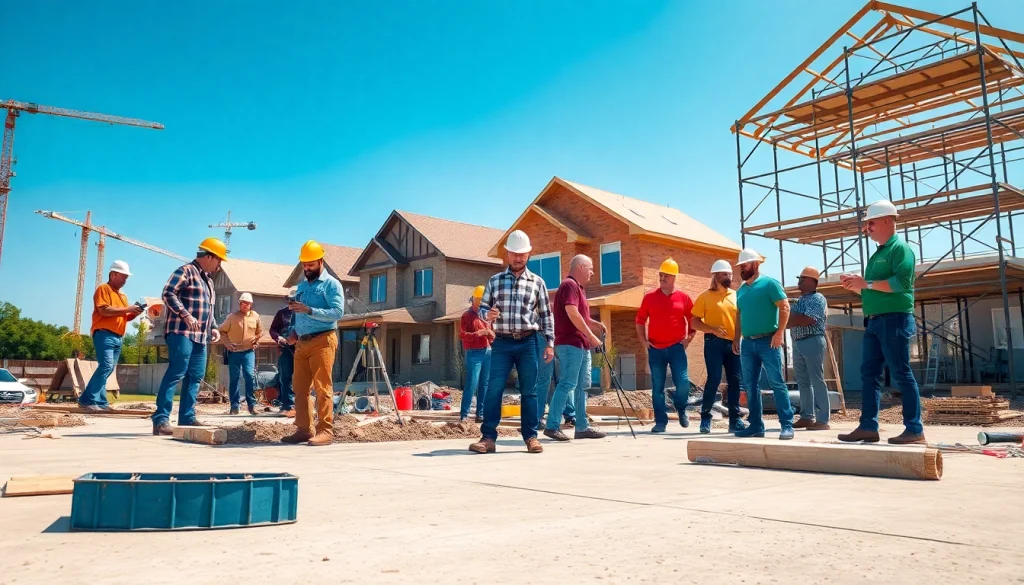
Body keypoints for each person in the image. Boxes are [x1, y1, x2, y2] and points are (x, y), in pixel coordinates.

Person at [838, 200, 925, 445]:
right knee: (869, 374)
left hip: (895, 319)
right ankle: (868, 427)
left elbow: (902, 284)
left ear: (888, 220)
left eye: (871, 222)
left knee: (901, 373)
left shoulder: (901, 249)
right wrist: (857, 286)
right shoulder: (879, 253)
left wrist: (864, 283)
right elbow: (875, 289)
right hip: (875, 321)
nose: (868, 227)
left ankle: (915, 429)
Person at [469, 230, 553, 454]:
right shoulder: (495, 281)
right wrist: (487, 315)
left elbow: (546, 315)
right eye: (514, 253)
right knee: (493, 389)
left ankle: (531, 437)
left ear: (528, 254)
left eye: (522, 254)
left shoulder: (538, 283)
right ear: (507, 254)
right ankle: (488, 438)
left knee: (530, 391)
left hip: (529, 342)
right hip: (502, 344)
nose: (518, 258)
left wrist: (550, 343)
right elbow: (483, 308)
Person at [152, 239, 226, 435]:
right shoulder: (185, 271)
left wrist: (214, 327)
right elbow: (168, 293)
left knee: (195, 376)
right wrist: (184, 314)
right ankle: (160, 420)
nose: (219, 265)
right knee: (177, 372)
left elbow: (207, 309)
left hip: (201, 337)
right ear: (209, 256)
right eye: (219, 260)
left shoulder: (209, 281)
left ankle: (187, 416)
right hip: (181, 332)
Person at [281, 240, 345, 447]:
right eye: (304, 265)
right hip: (302, 342)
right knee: (299, 387)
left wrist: (309, 310)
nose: (306, 268)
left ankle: (325, 430)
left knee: (322, 387)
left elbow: (337, 313)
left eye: (310, 264)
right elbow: (297, 314)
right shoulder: (301, 286)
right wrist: (293, 332)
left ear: (320, 261)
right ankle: (303, 429)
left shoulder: (331, 284)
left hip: (323, 340)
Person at [732, 248, 795, 440]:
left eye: (745, 265)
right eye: (740, 266)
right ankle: (756, 426)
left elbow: (785, 307)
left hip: (769, 341)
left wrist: (779, 334)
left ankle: (787, 425)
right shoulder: (741, 291)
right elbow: (739, 315)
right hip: (747, 344)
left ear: (756, 264)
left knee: (777, 382)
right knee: (750, 385)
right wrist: (736, 338)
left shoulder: (770, 284)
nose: (741, 269)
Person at [543, 254, 606, 442]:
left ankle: (582, 426)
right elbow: (572, 312)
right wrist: (592, 336)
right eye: (591, 268)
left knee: (582, 387)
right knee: (567, 384)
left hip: (579, 344)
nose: (593, 273)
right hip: (571, 344)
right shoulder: (569, 285)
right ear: (580, 267)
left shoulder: (578, 288)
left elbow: (580, 315)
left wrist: (596, 324)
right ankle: (552, 426)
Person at [635, 258, 696, 433]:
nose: (662, 278)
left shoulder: (683, 298)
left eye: (666, 276)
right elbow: (640, 320)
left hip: (677, 348)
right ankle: (660, 422)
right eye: (661, 275)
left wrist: (689, 338)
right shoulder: (650, 298)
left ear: (674, 277)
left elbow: (692, 321)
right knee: (657, 387)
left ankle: (681, 407)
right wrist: (643, 341)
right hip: (655, 349)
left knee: (683, 383)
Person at [691, 259, 747, 434]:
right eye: (725, 274)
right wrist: (711, 329)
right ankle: (705, 418)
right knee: (714, 378)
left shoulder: (736, 295)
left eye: (730, 274)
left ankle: (735, 420)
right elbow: (694, 322)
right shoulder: (705, 297)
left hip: (734, 344)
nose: (729, 277)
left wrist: (738, 339)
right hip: (713, 343)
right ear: (716, 276)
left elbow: (741, 320)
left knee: (735, 381)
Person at [79, 260, 143, 411]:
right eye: (123, 276)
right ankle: (87, 399)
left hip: (118, 337)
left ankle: (100, 402)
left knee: (108, 368)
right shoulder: (103, 289)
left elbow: (123, 317)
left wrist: (133, 313)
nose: (125, 280)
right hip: (104, 334)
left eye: (126, 277)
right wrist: (128, 308)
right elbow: (104, 311)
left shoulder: (122, 296)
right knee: (106, 366)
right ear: (113, 274)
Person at [788, 267, 830, 431]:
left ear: (813, 281)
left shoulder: (817, 298)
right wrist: (792, 319)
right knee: (803, 382)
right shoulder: (801, 300)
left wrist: (791, 319)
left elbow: (808, 319)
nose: (800, 281)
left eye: (803, 278)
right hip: (798, 342)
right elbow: (792, 320)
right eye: (800, 278)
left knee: (816, 379)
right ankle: (807, 416)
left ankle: (823, 419)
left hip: (812, 340)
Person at [219, 292, 264, 415]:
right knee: (234, 378)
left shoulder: (255, 316)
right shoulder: (232, 317)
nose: (244, 305)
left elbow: (260, 332)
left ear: (251, 304)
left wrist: (257, 341)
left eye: (247, 303)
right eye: (242, 303)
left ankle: (252, 405)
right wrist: (227, 344)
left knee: (249, 376)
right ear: (239, 304)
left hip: (249, 352)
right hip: (234, 352)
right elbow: (221, 331)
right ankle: (234, 406)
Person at [459, 285, 494, 422]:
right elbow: (462, 334)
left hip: (488, 351)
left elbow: (493, 334)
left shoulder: (487, 316)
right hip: (474, 352)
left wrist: (491, 335)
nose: (480, 302)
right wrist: (477, 334)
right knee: (472, 383)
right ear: (473, 299)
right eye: (479, 299)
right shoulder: (467, 316)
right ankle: (464, 414)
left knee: (484, 384)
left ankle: (481, 414)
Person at [269, 289, 297, 417]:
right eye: (290, 300)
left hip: (301, 348)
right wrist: (278, 338)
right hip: (285, 349)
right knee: (285, 377)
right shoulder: (282, 313)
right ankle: (287, 406)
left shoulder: (304, 313)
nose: (291, 302)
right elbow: (273, 329)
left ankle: (301, 406)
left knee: (302, 378)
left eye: (294, 300)